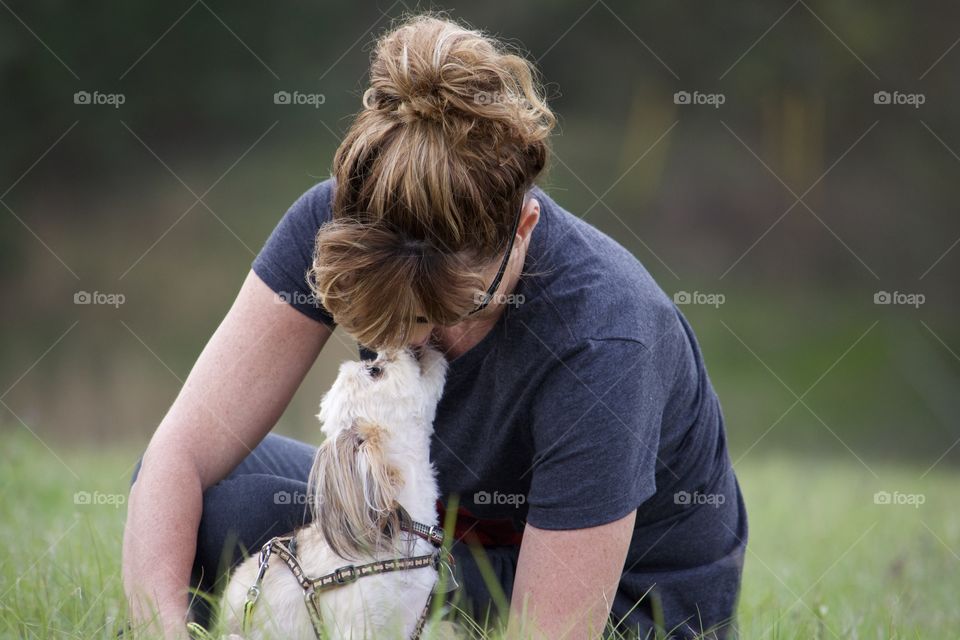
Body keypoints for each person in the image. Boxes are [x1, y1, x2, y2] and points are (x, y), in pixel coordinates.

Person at [122, 14, 747, 640]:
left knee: (262, 524)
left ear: (522, 229)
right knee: (206, 498)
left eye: (451, 312)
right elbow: (180, 455)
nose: (417, 342)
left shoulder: (605, 336)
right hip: (442, 529)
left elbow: (549, 632)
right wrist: (162, 631)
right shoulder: (340, 225)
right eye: (387, 314)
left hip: (626, 607)